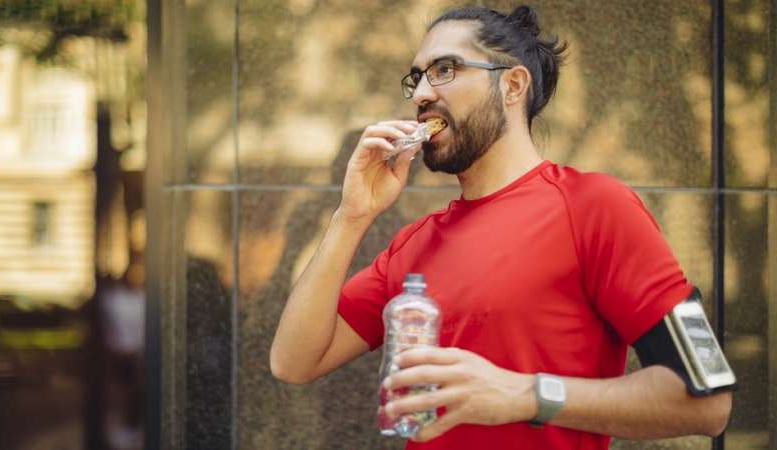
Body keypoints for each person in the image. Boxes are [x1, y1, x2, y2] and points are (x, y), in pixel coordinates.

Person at [270, 5, 733, 450]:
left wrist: (523, 394)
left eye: (445, 69)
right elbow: (294, 362)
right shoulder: (413, 244)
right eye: (417, 78)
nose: (420, 94)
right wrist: (351, 216)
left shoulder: (595, 207)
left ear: (512, 84)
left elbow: (706, 401)